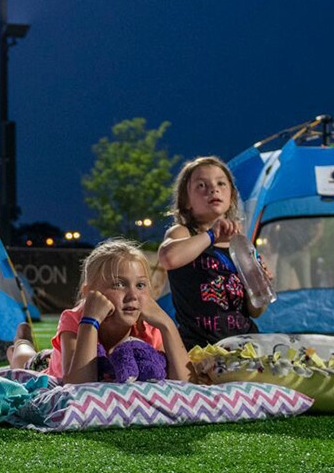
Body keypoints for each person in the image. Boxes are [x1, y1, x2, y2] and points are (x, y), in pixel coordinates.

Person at [157, 156, 267, 347]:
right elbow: (169, 257)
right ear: (186, 201)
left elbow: (255, 310)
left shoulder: (241, 244)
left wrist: (261, 284)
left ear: (231, 196)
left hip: (244, 343)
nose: (213, 189)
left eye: (221, 183)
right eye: (201, 185)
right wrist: (211, 235)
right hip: (200, 347)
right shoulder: (184, 233)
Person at [48, 239, 189, 384]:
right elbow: (78, 385)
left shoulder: (149, 328)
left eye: (140, 285)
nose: (133, 295)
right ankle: (23, 339)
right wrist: (90, 322)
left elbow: (187, 384)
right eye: (119, 284)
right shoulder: (76, 320)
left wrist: (167, 325)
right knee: (26, 356)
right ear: (89, 293)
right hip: (49, 365)